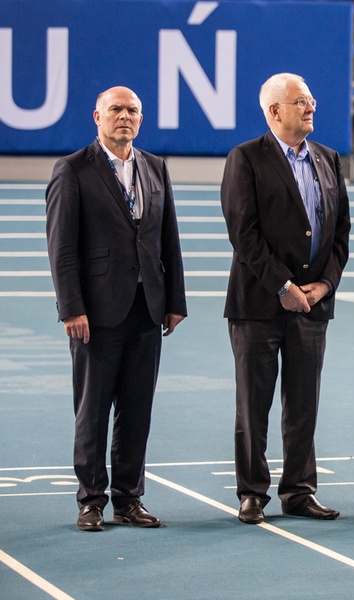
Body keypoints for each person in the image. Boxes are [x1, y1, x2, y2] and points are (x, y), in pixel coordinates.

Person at [46, 86, 187, 532]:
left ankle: (129, 498)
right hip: (96, 313)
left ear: (141, 119)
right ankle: (90, 500)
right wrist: (71, 307)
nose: (124, 116)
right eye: (115, 109)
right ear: (97, 116)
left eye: (132, 111)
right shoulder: (73, 169)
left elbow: (168, 238)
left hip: (147, 309)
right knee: (93, 410)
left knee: (137, 409)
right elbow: (61, 247)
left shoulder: (155, 166)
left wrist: (175, 300)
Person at [221, 73, 351, 525]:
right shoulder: (245, 158)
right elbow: (244, 233)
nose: (310, 107)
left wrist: (325, 284)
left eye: (311, 100)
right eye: (300, 101)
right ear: (275, 111)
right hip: (259, 305)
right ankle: (252, 493)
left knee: (303, 405)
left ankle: (299, 491)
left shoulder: (329, 159)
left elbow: (340, 231)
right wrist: (284, 286)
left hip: (312, 306)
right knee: (253, 407)